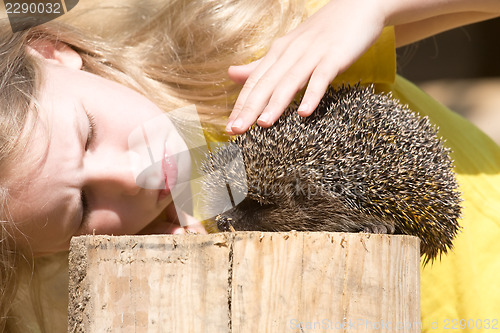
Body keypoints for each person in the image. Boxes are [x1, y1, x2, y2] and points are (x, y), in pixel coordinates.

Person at [0, 0, 499, 332]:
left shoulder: (241, 59)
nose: (132, 177)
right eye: (83, 209)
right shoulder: (113, 295)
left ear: (53, 53)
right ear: (53, 252)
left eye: (88, 136)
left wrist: (367, 8)